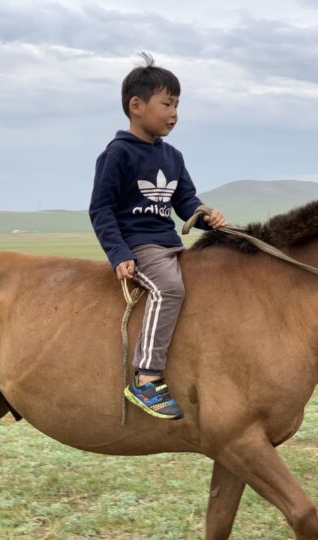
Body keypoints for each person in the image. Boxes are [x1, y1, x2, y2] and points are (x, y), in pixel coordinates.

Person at [89, 53, 227, 420]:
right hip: (140, 246)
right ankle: (146, 378)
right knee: (169, 289)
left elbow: (185, 203)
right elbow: (100, 210)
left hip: (170, 244)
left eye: (178, 105)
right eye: (167, 103)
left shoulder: (173, 156)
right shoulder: (117, 154)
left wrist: (207, 217)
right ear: (136, 106)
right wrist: (119, 254)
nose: (174, 113)